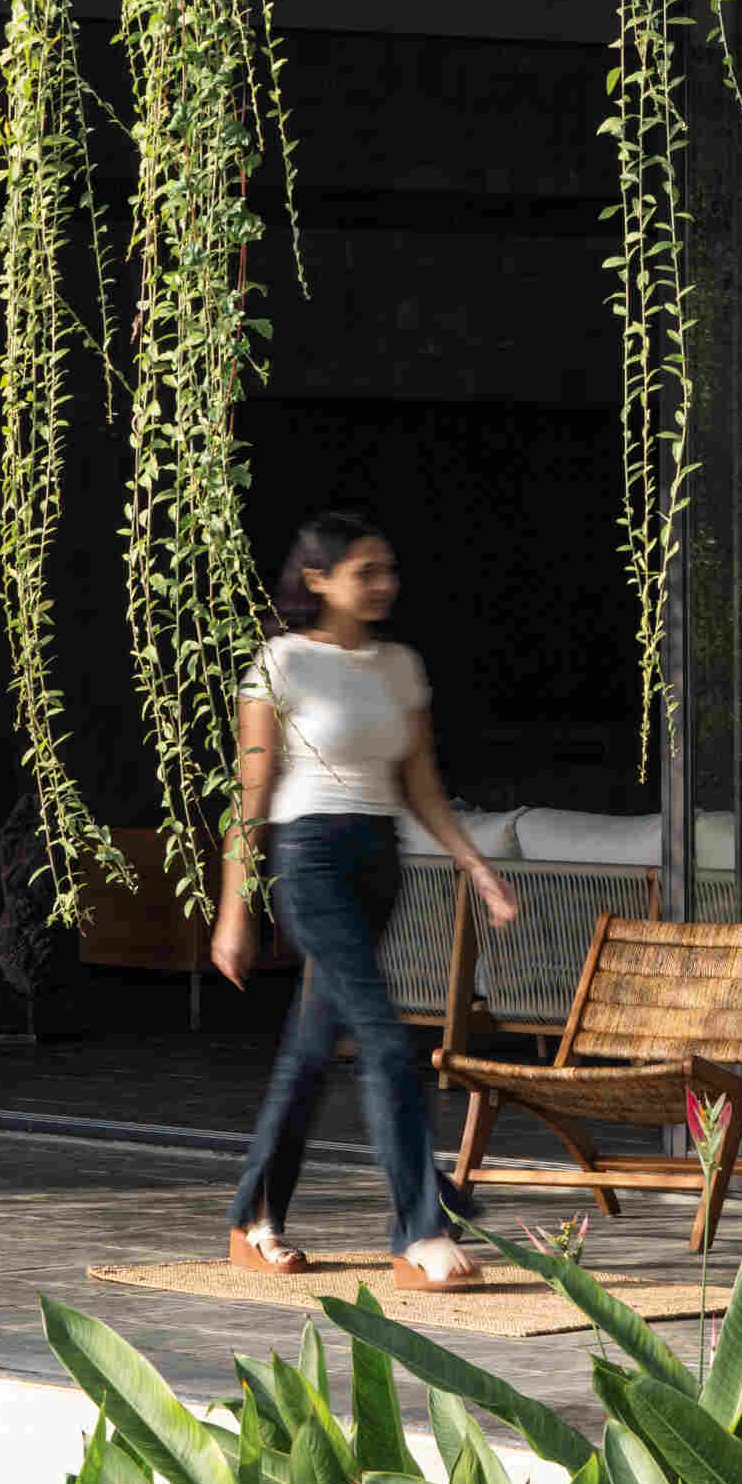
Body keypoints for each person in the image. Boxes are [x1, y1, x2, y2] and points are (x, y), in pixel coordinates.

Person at [210, 510, 518, 1290]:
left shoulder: (399, 666)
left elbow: (421, 785)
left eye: (388, 570)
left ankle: (254, 1217)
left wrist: (475, 866)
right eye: (364, 572)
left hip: (380, 862)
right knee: (385, 1041)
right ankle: (421, 1230)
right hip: (309, 858)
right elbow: (251, 796)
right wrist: (235, 911)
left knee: (313, 1052)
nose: (383, 586)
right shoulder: (281, 664)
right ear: (318, 579)